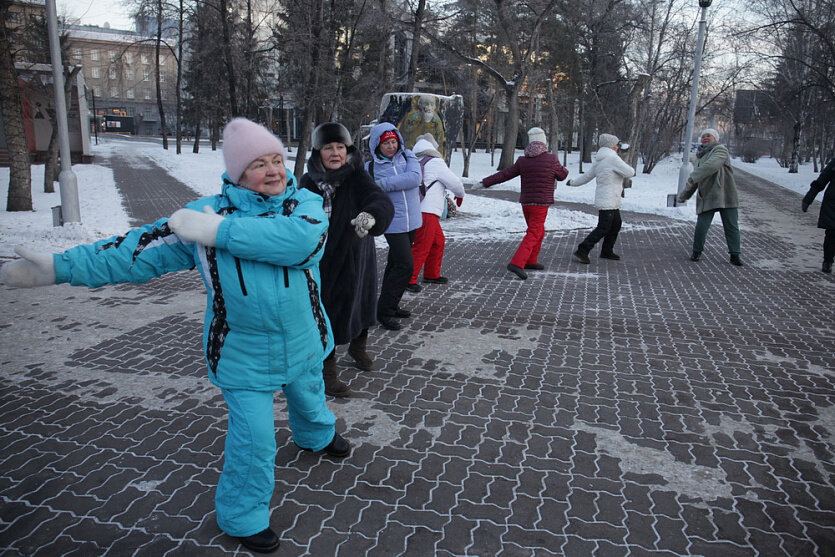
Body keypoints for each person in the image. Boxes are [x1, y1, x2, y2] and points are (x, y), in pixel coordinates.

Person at [0, 118, 350, 555]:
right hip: (242, 354)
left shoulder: (306, 205)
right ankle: (242, 517)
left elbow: (301, 245)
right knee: (254, 440)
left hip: (304, 336)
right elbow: (134, 252)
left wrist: (220, 233)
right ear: (238, 174)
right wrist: (58, 267)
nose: (275, 171)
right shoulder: (199, 218)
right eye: (260, 164)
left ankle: (317, 436)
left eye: (277, 159)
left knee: (309, 393)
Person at [300, 122, 394, 396]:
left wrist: (371, 215)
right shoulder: (308, 182)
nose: (335, 153)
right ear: (318, 152)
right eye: (328, 147)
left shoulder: (357, 176)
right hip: (320, 262)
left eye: (340, 147)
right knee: (323, 314)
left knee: (361, 304)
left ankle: (358, 347)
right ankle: (327, 372)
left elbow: (379, 199)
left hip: (355, 257)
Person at [479, 126, 569, 280]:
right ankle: (517, 263)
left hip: (526, 203)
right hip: (541, 203)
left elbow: (505, 174)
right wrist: (561, 168)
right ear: (544, 141)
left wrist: (485, 182)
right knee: (534, 233)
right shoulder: (551, 159)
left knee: (538, 231)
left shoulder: (523, 160)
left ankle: (531, 260)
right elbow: (562, 175)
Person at [366, 122, 422, 330]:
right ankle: (385, 312)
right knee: (406, 265)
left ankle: (391, 304)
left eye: (393, 142)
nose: (391, 146)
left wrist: (385, 184)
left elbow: (415, 178)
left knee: (394, 264)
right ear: (377, 145)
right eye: (386, 143)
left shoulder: (408, 156)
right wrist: (397, 182)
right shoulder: (371, 167)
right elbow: (370, 190)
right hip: (392, 222)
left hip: (412, 220)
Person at [406, 133, 465, 292]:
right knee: (422, 245)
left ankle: (432, 273)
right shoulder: (436, 162)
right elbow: (455, 183)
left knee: (437, 241)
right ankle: (408, 279)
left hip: (416, 207)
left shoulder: (413, 160)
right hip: (428, 210)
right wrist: (460, 195)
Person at [677, 128, 744, 266]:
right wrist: (684, 195)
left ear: (715, 138)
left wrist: (693, 176)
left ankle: (735, 255)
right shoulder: (700, 157)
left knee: (731, 226)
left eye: (709, 136)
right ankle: (696, 251)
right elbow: (697, 179)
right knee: (702, 226)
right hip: (707, 195)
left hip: (726, 195)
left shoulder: (720, 150)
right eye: (703, 136)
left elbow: (711, 166)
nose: (705, 138)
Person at [568, 133, 635, 263]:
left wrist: (572, 182)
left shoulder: (601, 159)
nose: (617, 147)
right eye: (616, 144)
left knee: (616, 224)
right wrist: (623, 160)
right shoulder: (612, 159)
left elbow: (587, 176)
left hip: (610, 198)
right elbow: (630, 172)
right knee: (604, 227)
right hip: (608, 199)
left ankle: (607, 251)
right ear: (611, 146)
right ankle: (583, 249)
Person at [802, 156, 835, 273]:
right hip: (833, 203)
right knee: (832, 233)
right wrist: (808, 198)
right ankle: (828, 261)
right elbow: (822, 180)